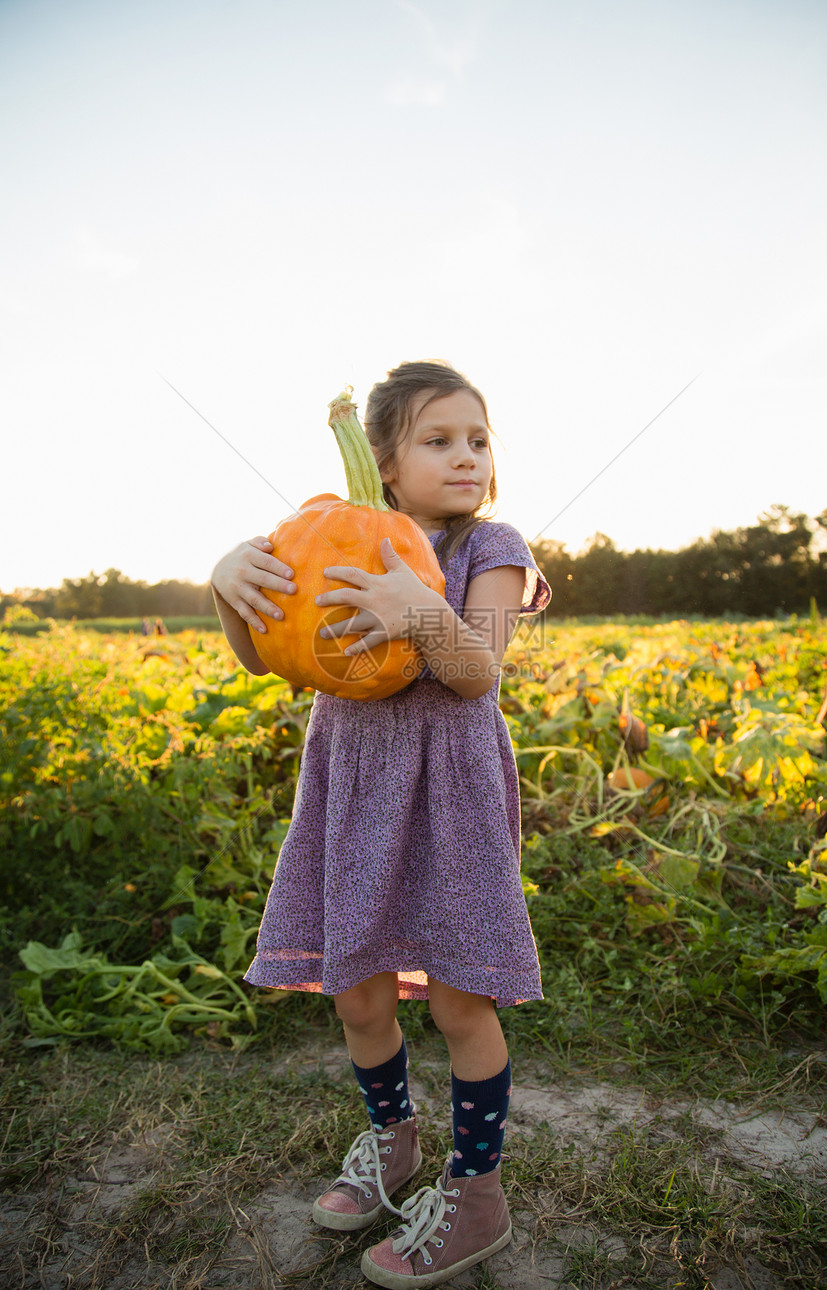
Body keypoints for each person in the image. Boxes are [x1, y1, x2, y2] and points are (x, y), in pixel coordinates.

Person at [211, 360, 550, 1288]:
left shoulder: (493, 548)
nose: (468, 457)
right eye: (439, 440)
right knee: (356, 991)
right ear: (384, 463)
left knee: (458, 999)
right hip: (353, 788)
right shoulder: (330, 533)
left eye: (479, 439)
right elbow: (267, 655)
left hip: (454, 794)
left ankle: (477, 1194)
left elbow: (478, 670)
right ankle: (391, 1146)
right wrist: (225, 587)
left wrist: (420, 607)